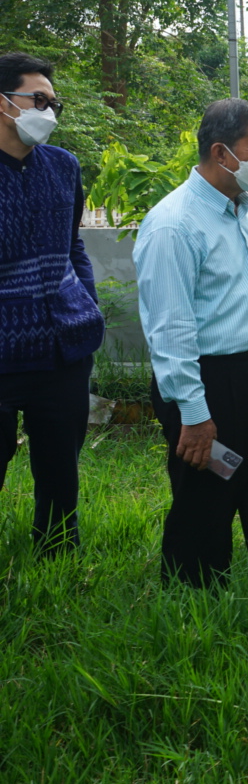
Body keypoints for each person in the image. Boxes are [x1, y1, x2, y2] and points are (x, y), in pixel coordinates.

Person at [133, 99, 248, 587]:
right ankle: (195, 594)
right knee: (207, 497)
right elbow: (170, 331)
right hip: (207, 380)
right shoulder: (174, 225)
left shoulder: (245, 210)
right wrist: (193, 413)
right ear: (221, 152)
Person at [0, 52, 104, 555]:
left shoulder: (63, 166)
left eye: (53, 101)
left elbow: (73, 244)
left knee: (60, 468)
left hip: (64, 350)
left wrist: (86, 301)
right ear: (3, 103)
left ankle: (59, 556)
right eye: (38, 100)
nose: (50, 110)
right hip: (2, 355)